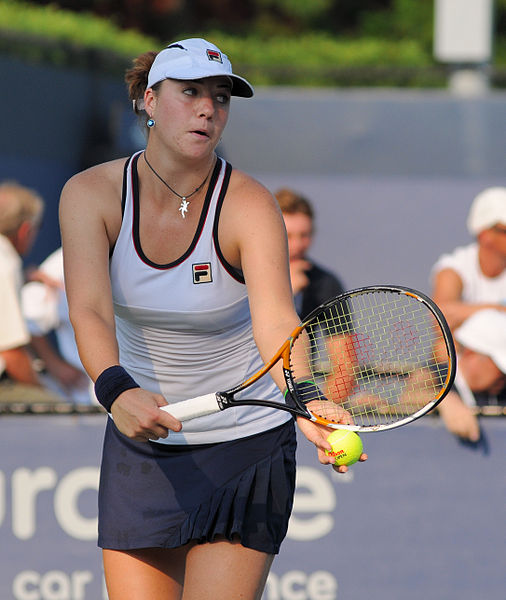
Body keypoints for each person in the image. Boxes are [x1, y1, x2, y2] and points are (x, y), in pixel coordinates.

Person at [59, 38, 367, 600]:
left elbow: (275, 319)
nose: (208, 108)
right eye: (191, 92)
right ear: (149, 100)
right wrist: (116, 390)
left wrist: (303, 396)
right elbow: (88, 309)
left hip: (247, 446)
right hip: (143, 438)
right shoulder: (90, 194)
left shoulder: (249, 204)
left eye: (221, 97)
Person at [431, 186, 506, 440]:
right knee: (443, 344)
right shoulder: (455, 268)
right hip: (464, 366)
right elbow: (439, 319)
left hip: (493, 365)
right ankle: (448, 397)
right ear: (486, 234)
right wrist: (497, 310)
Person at [0, 181, 59, 403]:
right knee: (65, 411)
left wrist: (26, 276)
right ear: (25, 230)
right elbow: (11, 353)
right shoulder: (5, 264)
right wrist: (42, 390)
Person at [21, 247, 95, 404]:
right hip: (86, 399)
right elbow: (28, 319)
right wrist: (54, 364)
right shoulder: (62, 262)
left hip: (146, 394)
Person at [274, 188, 346, 318]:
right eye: (288, 235)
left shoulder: (325, 282)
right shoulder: (243, 277)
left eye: (304, 235)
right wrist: (288, 294)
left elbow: (341, 338)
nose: (297, 245)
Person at [438, 309, 506, 442]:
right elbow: (414, 394)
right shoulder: (436, 376)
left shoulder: (501, 389)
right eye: (499, 367)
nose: (502, 378)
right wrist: (442, 401)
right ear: (470, 353)